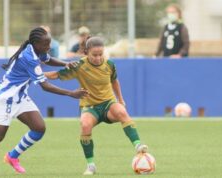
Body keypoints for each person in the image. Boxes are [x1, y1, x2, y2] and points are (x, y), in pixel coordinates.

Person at [0, 27, 89, 177]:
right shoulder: (28, 58)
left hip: (19, 97)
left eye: (49, 43)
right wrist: (70, 93)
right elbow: (45, 85)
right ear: (36, 43)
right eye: (45, 44)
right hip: (5, 99)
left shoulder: (36, 50)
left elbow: (47, 58)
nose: (48, 47)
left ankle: (12, 156)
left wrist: (65, 64)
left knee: (39, 128)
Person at [45, 37, 148, 175]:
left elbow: (115, 81)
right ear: (86, 52)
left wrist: (120, 99)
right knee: (85, 125)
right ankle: (91, 165)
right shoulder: (79, 65)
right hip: (90, 106)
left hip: (108, 104)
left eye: (101, 54)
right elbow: (56, 75)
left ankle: (138, 145)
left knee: (122, 112)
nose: (98, 58)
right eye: (95, 55)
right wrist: (36, 74)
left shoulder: (109, 64)